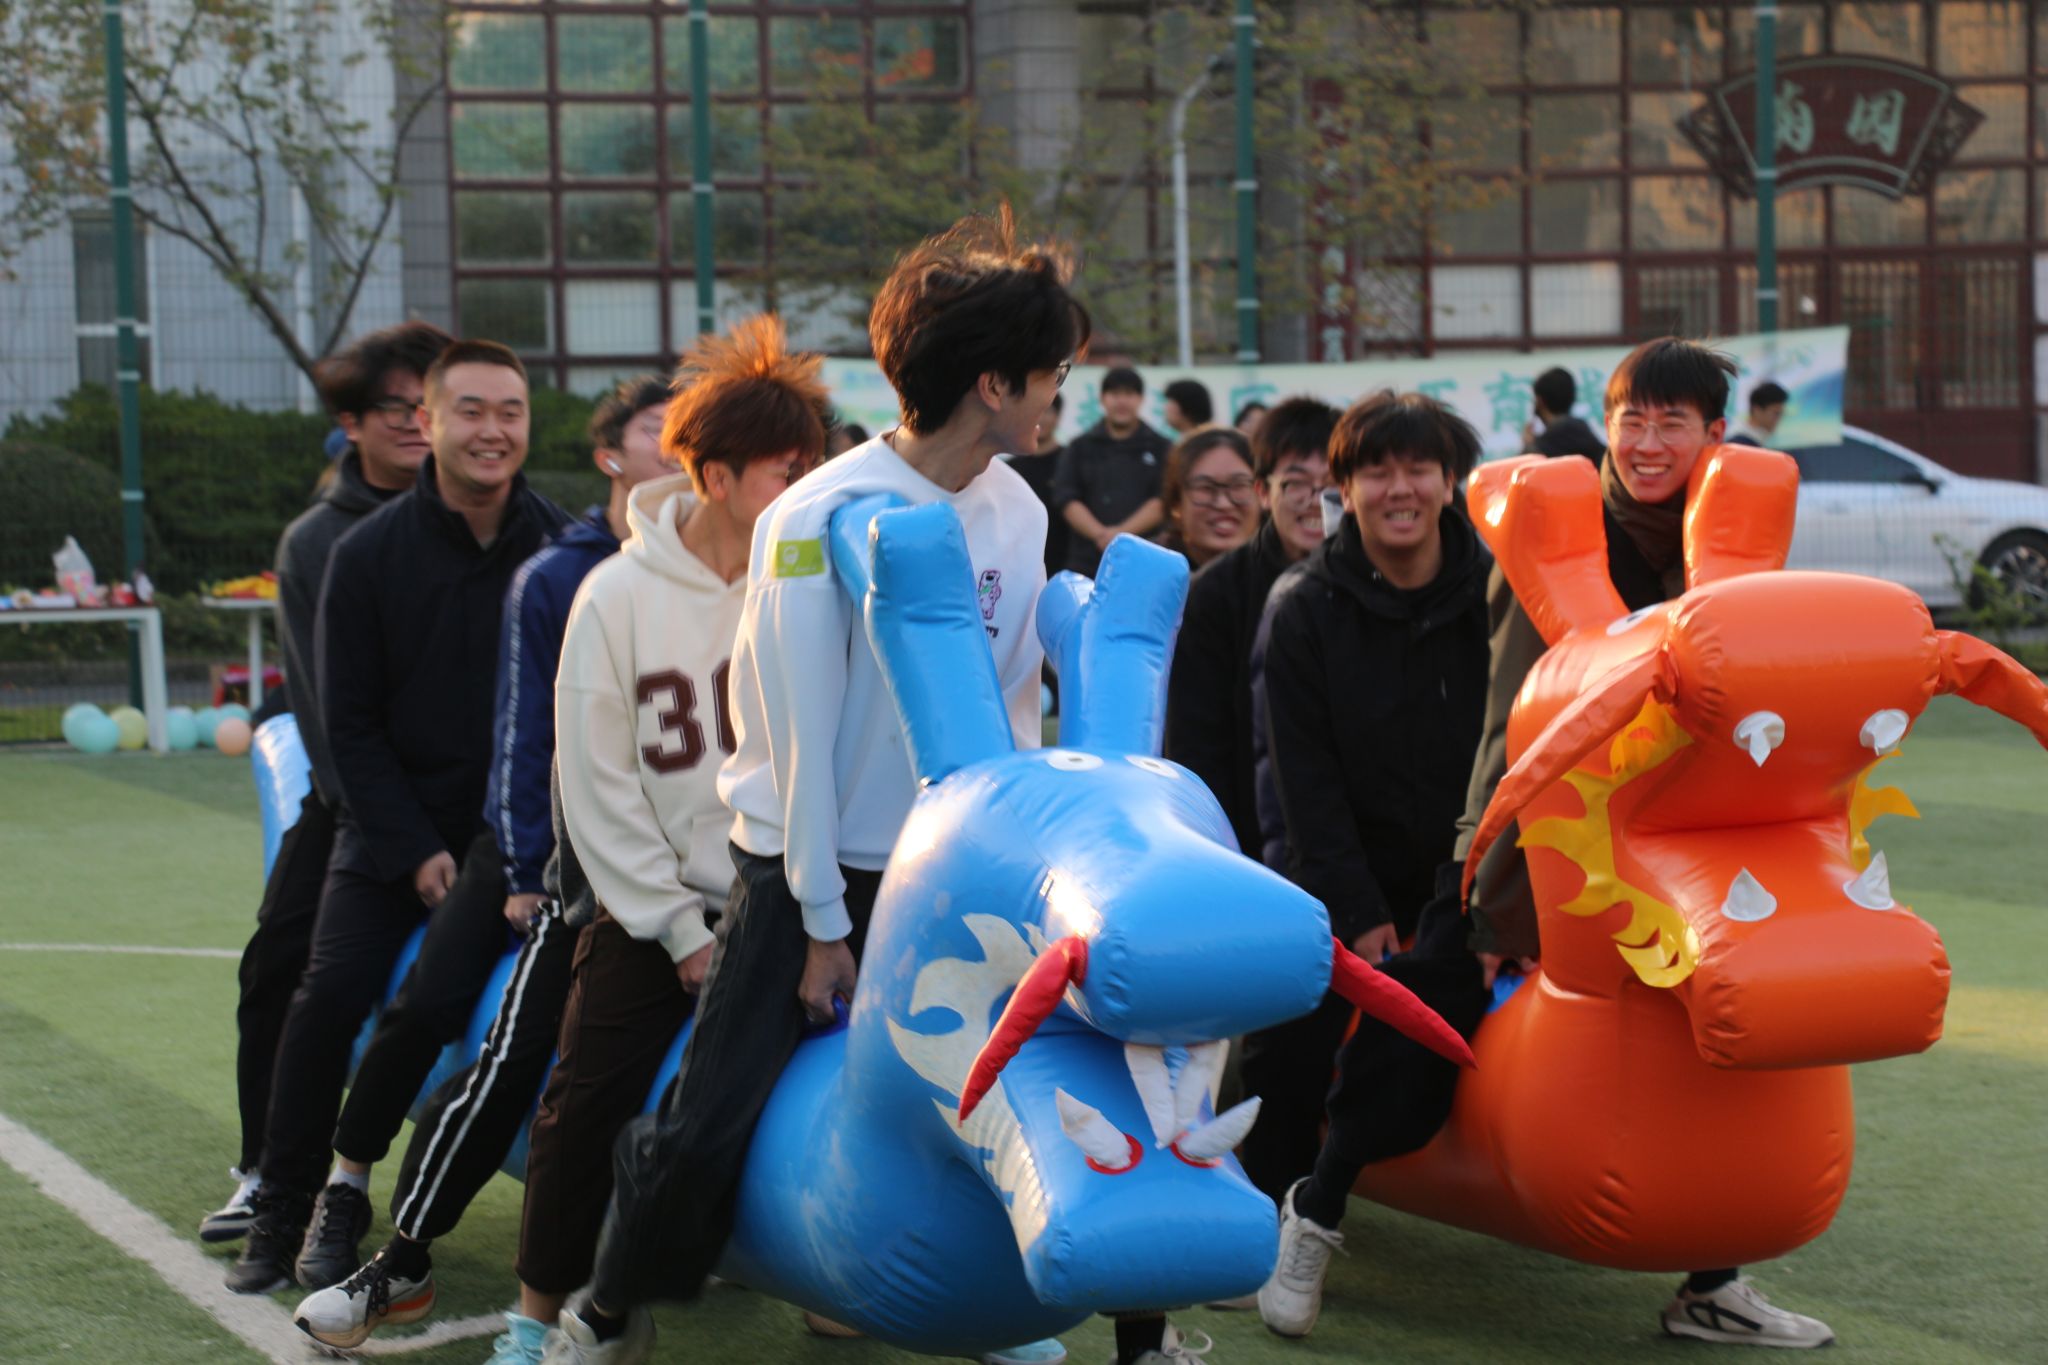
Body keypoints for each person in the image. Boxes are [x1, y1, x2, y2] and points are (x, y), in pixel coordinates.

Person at [544, 213, 1124, 1365]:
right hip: (804, 867)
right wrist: (819, 925)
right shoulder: (816, 516)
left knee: (1042, 1081)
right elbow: (794, 740)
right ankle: (602, 1311)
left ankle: (1032, 1315)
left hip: (951, 865)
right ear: (993, 383)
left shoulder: (1016, 509)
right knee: (711, 1116)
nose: (1063, 391)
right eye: (1052, 370)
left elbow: (1010, 709)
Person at [1257, 341, 1836, 1351]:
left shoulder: (1726, 547)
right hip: (1529, 839)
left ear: (1713, 435)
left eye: (1670, 423)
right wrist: (1489, 897)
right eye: (1630, 421)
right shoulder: (1558, 537)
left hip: (1668, 850)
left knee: (1710, 1036)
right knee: (1425, 1013)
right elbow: (1511, 730)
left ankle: (1712, 1281)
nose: (1646, 443)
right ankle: (1318, 1207)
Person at [288, 375, 679, 1348]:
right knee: (448, 1015)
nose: (679, 446)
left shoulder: (739, 570)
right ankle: (356, 1200)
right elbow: (522, 734)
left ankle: (658, 1274)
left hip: (701, 874)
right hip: (548, 856)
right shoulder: (563, 572)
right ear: (610, 454)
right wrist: (523, 868)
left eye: (511, 411)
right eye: (658, 429)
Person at [227, 340, 570, 1295]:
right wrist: (413, 849)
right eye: (471, 411)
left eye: (510, 411)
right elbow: (346, 724)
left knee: (461, 1002)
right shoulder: (362, 553)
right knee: (328, 988)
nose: (492, 430)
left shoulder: (558, 549)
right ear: (431, 418)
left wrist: (517, 845)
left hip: (512, 832)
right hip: (388, 826)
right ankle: (288, 1201)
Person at [204, 321, 449, 1245]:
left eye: (430, 403)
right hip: (358, 803)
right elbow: (327, 715)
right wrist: (402, 843)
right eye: (396, 406)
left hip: (474, 800)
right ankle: (271, 1172)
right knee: (281, 962)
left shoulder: (495, 518)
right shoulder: (318, 541)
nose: (418, 421)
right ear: (351, 423)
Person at [1238, 393, 1492, 1271]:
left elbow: (1523, 751)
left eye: (1419, 467)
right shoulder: (1302, 605)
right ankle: (1266, 1217)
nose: (1399, 488)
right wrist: (1355, 908)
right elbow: (1298, 780)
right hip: (1330, 871)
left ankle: (1329, 1194)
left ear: (1451, 482)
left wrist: (1487, 900)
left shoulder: (1499, 592)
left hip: (1463, 874)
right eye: (1376, 471)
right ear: (1342, 489)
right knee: (1292, 1023)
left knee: (1431, 996)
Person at [1163, 396, 1336, 856]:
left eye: (1331, 485)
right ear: (1264, 491)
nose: (1315, 501)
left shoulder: (1372, 580)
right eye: (1296, 483)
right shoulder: (1214, 594)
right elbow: (1197, 748)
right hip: (1249, 843)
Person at [1051, 366, 1171, 577]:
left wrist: (1119, 535)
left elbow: (1163, 499)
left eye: (1129, 394)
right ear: (1102, 398)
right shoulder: (1079, 447)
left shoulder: (1161, 447)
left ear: (1141, 399)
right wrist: (1100, 534)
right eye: (1115, 394)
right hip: (1087, 562)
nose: (1121, 401)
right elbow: (1066, 498)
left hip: (1145, 559)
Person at [1155, 427, 1258, 570]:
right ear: (1176, 503)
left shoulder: (1284, 574)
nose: (1223, 504)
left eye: (1239, 485)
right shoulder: (1145, 571)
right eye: (1205, 488)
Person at [1003, 390, 1070, 580]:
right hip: (1019, 563)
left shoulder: (1070, 461)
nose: (1042, 418)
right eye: (1037, 411)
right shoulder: (1010, 468)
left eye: (1048, 411)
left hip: (1063, 563)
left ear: (1058, 417)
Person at [1522, 366, 1606, 461]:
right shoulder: (1579, 429)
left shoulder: (1549, 440)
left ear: (1540, 401)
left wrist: (1529, 445)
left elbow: (1531, 465)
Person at [1727, 380, 1788, 447]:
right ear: (1757, 409)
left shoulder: (1757, 438)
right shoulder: (1740, 441)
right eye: (1776, 413)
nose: (1779, 419)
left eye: (1781, 414)